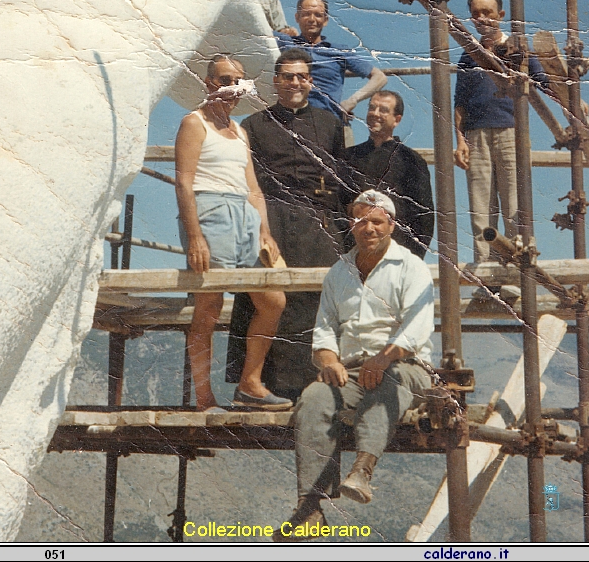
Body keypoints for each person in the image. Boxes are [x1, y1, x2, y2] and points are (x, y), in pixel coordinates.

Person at [273, 190, 434, 541]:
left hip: (405, 367)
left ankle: (363, 470)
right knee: (315, 396)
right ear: (351, 225)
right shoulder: (339, 272)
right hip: (353, 371)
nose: (368, 228)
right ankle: (310, 507)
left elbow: (417, 328)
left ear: (391, 225)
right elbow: (325, 329)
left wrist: (385, 357)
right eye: (361, 221)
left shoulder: (411, 267)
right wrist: (328, 361)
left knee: (387, 381)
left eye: (377, 221)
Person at [226, 47, 346, 402]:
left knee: (315, 303)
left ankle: (315, 387)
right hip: (272, 223)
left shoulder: (330, 124)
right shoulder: (254, 125)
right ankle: (265, 386)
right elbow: (248, 182)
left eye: (301, 77)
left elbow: (340, 180)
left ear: (310, 81)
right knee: (269, 301)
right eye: (288, 76)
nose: (295, 82)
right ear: (276, 81)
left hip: (317, 227)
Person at [175, 54, 290, 411]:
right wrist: (194, 236)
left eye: (238, 81)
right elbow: (184, 181)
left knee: (273, 299)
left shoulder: (240, 131)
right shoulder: (194, 123)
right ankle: (204, 398)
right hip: (210, 213)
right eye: (225, 80)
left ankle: (250, 383)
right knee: (209, 305)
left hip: (244, 216)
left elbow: (253, 188)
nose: (232, 88)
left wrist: (265, 231)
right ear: (209, 83)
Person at [454, 0, 549, 262]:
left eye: (488, 12)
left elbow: (544, 81)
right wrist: (460, 141)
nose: (482, 18)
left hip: (511, 133)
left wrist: (574, 106)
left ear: (501, 16)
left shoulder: (519, 48)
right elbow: (459, 102)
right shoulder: (468, 55)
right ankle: (486, 274)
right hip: (475, 135)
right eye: (476, 14)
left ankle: (515, 271)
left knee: (514, 205)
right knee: (480, 206)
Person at [342, 91, 434, 258]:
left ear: (397, 119)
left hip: (398, 256)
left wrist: (411, 258)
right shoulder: (349, 157)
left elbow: (425, 218)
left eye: (383, 110)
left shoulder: (412, 161)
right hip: (355, 256)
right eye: (372, 108)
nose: (375, 114)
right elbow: (339, 207)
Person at [275, 0, 387, 123]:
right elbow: (252, 28)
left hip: (330, 123)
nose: (312, 19)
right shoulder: (285, 42)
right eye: (306, 14)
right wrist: (280, 29)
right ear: (297, 18)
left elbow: (380, 77)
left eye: (318, 15)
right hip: (291, 121)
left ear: (325, 20)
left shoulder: (338, 51)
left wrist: (352, 100)